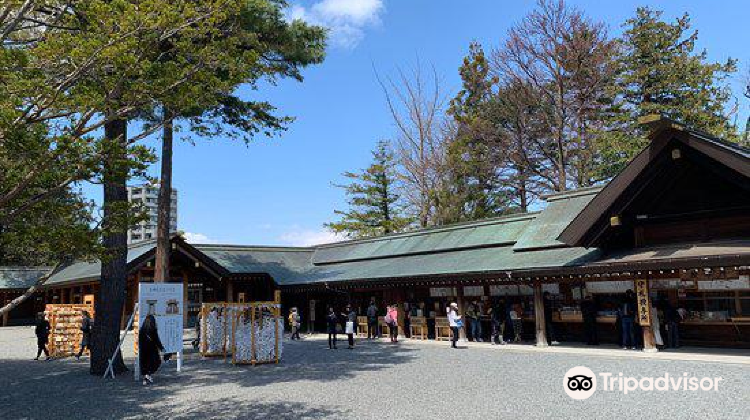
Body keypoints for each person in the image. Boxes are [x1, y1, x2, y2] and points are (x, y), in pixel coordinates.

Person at [139, 314, 164, 385]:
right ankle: (148, 375)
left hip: (143, 350)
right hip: (152, 350)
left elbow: (140, 341)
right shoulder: (153, 329)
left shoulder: (142, 330)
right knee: (156, 362)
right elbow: (157, 340)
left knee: (145, 365)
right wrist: (161, 348)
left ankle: (145, 379)